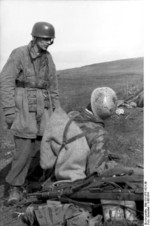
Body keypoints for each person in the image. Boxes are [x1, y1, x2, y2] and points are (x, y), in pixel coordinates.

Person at [0, 21, 60, 204]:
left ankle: (33, 182)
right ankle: (15, 188)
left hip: (45, 108)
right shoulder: (19, 54)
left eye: (50, 40)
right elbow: (6, 82)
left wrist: (57, 112)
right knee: (24, 150)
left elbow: (53, 87)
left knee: (43, 147)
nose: (47, 42)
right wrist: (9, 111)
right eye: (44, 39)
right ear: (34, 37)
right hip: (24, 107)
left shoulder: (48, 58)